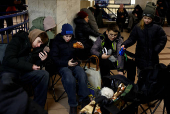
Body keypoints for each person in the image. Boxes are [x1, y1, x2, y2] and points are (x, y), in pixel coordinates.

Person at [0, 29, 50, 108]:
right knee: (6, 82)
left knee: (44, 74)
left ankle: (38, 108)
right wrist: (31, 66)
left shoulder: (36, 48)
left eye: (41, 43)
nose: (39, 45)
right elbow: (9, 59)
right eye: (39, 41)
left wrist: (42, 60)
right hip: (10, 71)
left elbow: (35, 65)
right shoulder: (18, 40)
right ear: (34, 36)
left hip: (24, 73)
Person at [49, 23, 90, 114]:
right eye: (66, 36)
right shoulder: (56, 42)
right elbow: (54, 59)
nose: (68, 38)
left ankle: (84, 99)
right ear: (62, 34)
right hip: (62, 65)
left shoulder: (73, 41)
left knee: (81, 74)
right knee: (69, 78)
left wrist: (82, 48)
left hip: (74, 63)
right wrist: (66, 63)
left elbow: (81, 56)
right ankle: (73, 104)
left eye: (70, 36)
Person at [121, 2, 167, 73]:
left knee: (152, 76)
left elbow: (163, 39)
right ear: (143, 17)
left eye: (149, 18)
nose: (147, 20)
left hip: (152, 57)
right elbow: (132, 38)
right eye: (145, 18)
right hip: (140, 56)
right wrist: (125, 44)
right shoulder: (138, 27)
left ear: (153, 18)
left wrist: (156, 49)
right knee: (141, 75)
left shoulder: (157, 27)